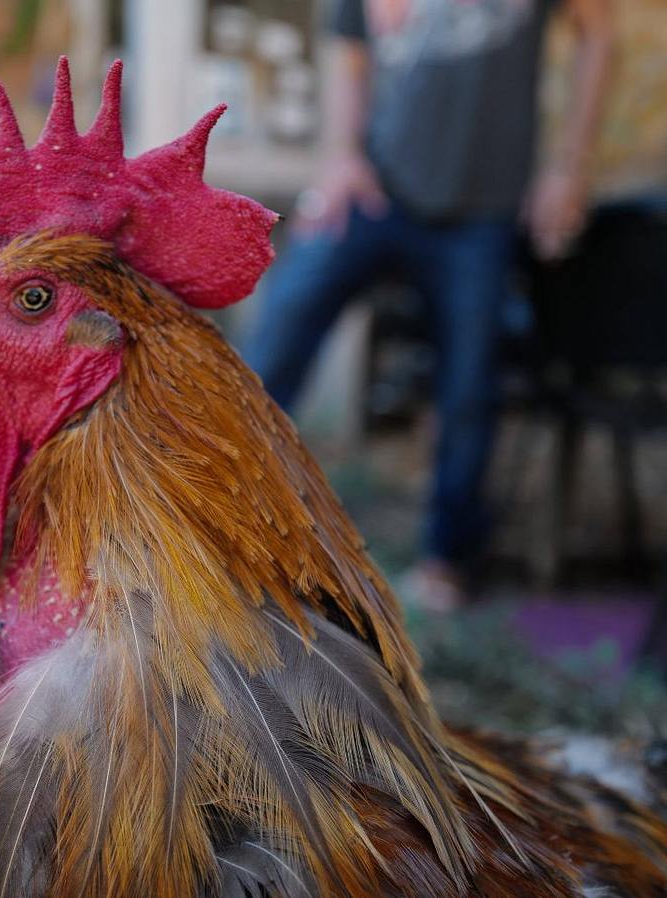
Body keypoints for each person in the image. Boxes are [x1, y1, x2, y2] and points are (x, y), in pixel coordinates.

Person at [243, 0, 614, 610]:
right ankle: (209, 506)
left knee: (470, 383)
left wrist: (570, 167)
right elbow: (348, 53)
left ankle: (449, 556)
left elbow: (598, 33)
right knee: (277, 332)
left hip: (483, 211)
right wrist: (341, 153)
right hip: (373, 186)